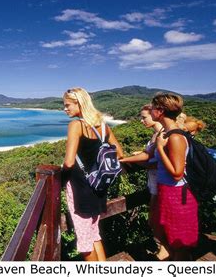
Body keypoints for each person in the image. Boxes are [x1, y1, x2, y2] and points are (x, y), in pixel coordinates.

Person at [62, 87, 123, 261]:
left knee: (84, 240)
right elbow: (120, 153)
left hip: (80, 188)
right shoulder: (102, 127)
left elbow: (69, 162)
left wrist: (60, 176)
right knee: (93, 233)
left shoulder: (76, 125)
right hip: (99, 186)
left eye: (67, 105)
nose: (65, 109)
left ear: (79, 103)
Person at [151, 93, 198, 261]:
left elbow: (177, 174)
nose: (150, 110)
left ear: (161, 111)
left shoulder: (175, 137)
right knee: (165, 235)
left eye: (153, 107)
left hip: (178, 195)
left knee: (180, 245)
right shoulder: (168, 133)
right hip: (167, 191)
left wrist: (161, 148)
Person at [119, 104, 169, 260]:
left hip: (161, 184)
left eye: (144, 117)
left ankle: (165, 251)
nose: (141, 121)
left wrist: (125, 159)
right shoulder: (158, 134)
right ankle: (165, 249)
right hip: (156, 184)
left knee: (156, 219)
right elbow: (151, 155)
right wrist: (139, 155)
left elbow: (153, 161)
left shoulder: (162, 135)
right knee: (156, 218)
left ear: (156, 115)